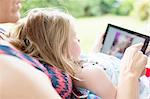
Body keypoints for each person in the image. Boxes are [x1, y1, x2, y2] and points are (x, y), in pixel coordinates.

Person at [6, 7, 148, 99]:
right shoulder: (90, 73)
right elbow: (119, 96)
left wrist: (97, 49)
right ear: (60, 47)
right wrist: (131, 74)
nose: (79, 39)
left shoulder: (73, 68)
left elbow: (84, 60)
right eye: (74, 37)